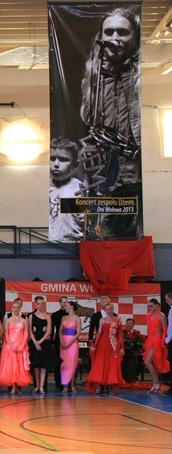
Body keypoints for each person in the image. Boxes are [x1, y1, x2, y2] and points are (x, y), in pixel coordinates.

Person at [79, 8, 142, 239]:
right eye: (109, 32)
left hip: (135, 175)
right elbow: (88, 119)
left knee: (131, 235)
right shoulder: (93, 76)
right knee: (105, 235)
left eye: (122, 32)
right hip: (106, 177)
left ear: (134, 36)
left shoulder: (139, 76)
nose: (115, 38)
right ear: (101, 37)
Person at [48, 138, 84, 242]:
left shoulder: (80, 189)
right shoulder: (42, 187)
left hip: (72, 246)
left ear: (75, 164)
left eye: (63, 159)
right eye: (52, 159)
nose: (56, 164)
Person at [88, 302, 123, 393]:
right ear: (105, 310)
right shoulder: (102, 320)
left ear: (113, 309)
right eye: (107, 309)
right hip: (103, 344)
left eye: (110, 309)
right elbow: (99, 333)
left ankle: (110, 384)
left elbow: (120, 334)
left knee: (112, 364)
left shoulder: (118, 319)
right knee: (101, 363)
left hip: (113, 345)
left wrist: (122, 347)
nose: (109, 311)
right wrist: (95, 345)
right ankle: (99, 385)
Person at [0, 299, 33, 394]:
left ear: (20, 308)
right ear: (11, 308)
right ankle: (13, 386)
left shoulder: (23, 320)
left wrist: (22, 345)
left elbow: (26, 333)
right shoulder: (8, 320)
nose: (15, 309)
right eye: (14, 307)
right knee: (11, 365)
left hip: (21, 345)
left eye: (17, 307)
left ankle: (17, 386)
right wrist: (11, 345)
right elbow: (6, 333)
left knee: (19, 365)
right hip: (10, 346)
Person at [28, 296, 55, 394]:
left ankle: (42, 386)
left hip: (44, 343)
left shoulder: (48, 316)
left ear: (44, 304)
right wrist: (35, 342)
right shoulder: (31, 316)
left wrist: (40, 341)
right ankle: (37, 386)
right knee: (36, 365)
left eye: (42, 303)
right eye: (38, 303)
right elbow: (30, 330)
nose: (40, 305)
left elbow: (49, 331)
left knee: (44, 365)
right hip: (34, 343)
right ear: (35, 304)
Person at [143, 298, 169, 394]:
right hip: (150, 340)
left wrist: (163, 341)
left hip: (157, 340)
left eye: (152, 306)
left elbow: (165, 329)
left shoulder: (161, 316)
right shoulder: (149, 315)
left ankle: (156, 383)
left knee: (148, 361)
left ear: (157, 305)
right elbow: (149, 329)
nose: (150, 308)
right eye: (149, 306)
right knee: (152, 363)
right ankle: (155, 384)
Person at [59, 301, 82, 393]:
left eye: (67, 306)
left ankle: (72, 384)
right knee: (64, 364)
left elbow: (78, 333)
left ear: (71, 307)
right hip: (63, 342)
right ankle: (65, 385)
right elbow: (60, 331)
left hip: (72, 343)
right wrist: (61, 341)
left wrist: (69, 342)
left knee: (72, 364)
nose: (65, 307)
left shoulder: (77, 318)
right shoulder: (64, 317)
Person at [50, 296, 71, 391]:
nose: (65, 304)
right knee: (59, 361)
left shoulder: (71, 314)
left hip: (69, 340)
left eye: (67, 302)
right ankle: (59, 383)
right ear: (59, 303)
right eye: (63, 302)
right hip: (58, 340)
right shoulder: (55, 315)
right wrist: (51, 342)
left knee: (69, 361)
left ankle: (69, 382)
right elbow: (52, 330)